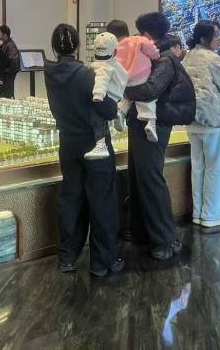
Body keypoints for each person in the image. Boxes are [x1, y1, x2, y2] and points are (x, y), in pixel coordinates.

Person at [44, 24, 124, 277]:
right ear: (79, 46)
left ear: (54, 47)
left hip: (67, 143)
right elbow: (107, 109)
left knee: (71, 199)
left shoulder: (49, 72)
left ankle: (67, 256)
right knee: (102, 201)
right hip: (94, 143)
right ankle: (102, 262)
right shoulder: (87, 74)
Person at [123, 12, 196, 260]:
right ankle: (141, 231)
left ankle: (165, 239)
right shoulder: (153, 55)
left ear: (147, 34)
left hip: (154, 126)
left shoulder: (165, 60)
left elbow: (149, 90)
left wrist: (121, 88)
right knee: (138, 177)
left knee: (151, 180)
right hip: (141, 123)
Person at [183, 20, 220, 230]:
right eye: (216, 35)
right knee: (217, 168)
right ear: (203, 38)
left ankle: (198, 213)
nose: (219, 39)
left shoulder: (187, 57)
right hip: (214, 120)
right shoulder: (213, 59)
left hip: (193, 121)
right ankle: (211, 215)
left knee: (198, 168)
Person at [84, 32, 128, 160]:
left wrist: (98, 96)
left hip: (105, 97)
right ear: (115, 52)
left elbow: (101, 82)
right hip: (116, 96)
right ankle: (118, 112)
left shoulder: (102, 67)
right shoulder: (116, 64)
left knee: (96, 117)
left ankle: (101, 144)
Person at [115, 23, 161, 142]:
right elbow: (151, 49)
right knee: (148, 100)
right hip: (141, 75)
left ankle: (120, 111)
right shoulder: (139, 40)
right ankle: (150, 122)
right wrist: (156, 56)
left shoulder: (118, 46)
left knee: (127, 98)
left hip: (126, 78)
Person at [0, 25, 19, 98]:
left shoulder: (10, 45)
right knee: (5, 93)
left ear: (5, 35)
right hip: (6, 74)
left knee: (9, 94)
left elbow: (13, 63)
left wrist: (5, 71)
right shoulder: (4, 44)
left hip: (9, 74)